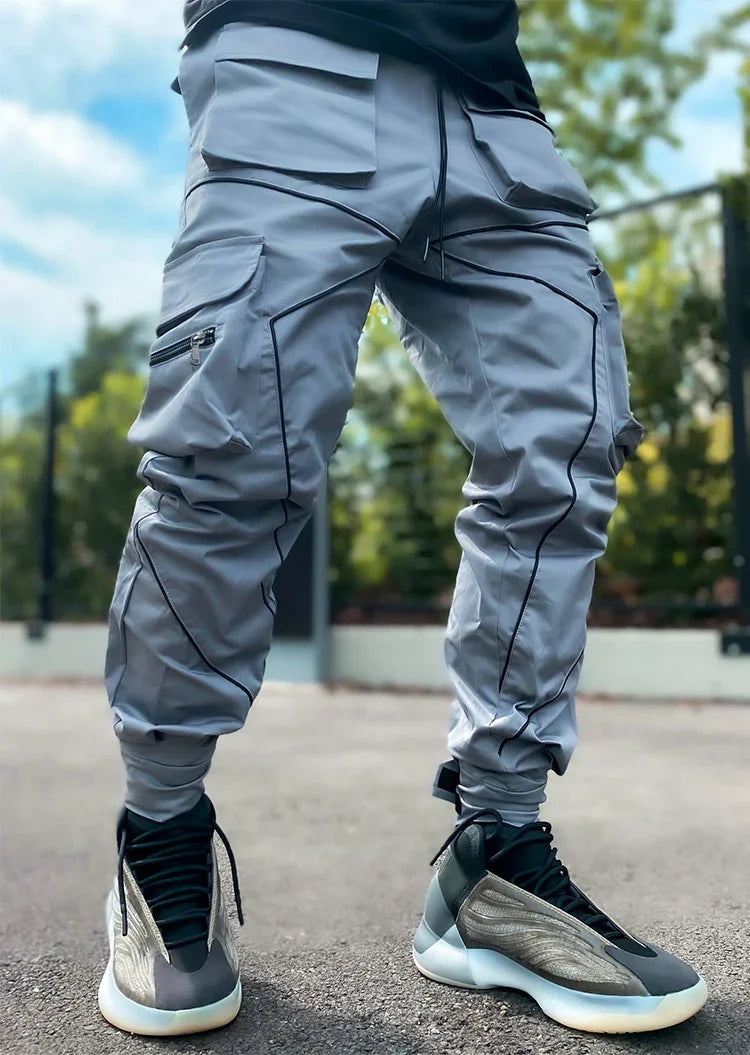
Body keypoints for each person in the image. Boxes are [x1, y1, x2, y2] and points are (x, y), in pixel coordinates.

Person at [98, 0, 707, 1038]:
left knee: (569, 441)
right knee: (232, 445)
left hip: (491, 103)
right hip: (290, 47)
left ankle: (495, 861)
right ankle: (158, 836)